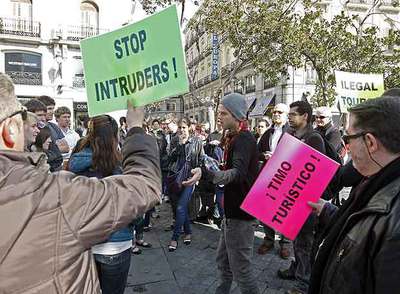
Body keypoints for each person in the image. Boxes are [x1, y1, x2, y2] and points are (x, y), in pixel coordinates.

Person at [0, 73, 161, 293]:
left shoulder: (68, 171)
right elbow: (144, 186)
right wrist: (135, 127)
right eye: (23, 118)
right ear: (10, 130)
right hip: (116, 244)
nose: (35, 129)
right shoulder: (53, 195)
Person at [308, 96, 400, 294]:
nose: (346, 147)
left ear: (370, 142)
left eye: (348, 138)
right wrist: (328, 210)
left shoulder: (394, 221)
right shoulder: (373, 180)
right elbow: (360, 228)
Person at [68, 115, 134, 294]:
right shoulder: (120, 166)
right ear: (114, 137)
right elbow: (134, 206)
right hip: (115, 243)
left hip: (82, 242)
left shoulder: (74, 162)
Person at [207, 93, 260, 294]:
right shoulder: (233, 138)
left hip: (241, 216)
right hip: (232, 214)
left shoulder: (244, 139)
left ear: (236, 115)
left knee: (242, 271)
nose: (219, 117)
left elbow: (237, 174)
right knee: (223, 262)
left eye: (223, 113)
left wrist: (209, 174)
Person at [277, 101, 325, 294]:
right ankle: (296, 269)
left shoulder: (314, 138)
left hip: (307, 200)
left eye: (293, 114)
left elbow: (317, 171)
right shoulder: (290, 134)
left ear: (305, 116)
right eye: (289, 114)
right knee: (296, 239)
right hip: (291, 196)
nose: (289, 117)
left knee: (305, 242)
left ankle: (304, 285)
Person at [257, 103, 291, 258]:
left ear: (286, 115)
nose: (276, 114)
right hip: (268, 175)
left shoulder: (292, 132)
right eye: (274, 111)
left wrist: (278, 157)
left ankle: (285, 243)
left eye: (280, 112)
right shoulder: (268, 132)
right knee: (266, 209)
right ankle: (269, 239)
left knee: (285, 210)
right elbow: (257, 152)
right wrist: (264, 156)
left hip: (286, 176)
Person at [167, 117, 203, 251]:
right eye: (180, 128)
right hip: (177, 178)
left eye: (184, 127)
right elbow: (169, 158)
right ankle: (188, 232)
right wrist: (180, 146)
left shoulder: (197, 142)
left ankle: (174, 238)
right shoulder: (175, 141)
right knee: (180, 208)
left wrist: (198, 174)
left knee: (181, 208)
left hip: (190, 179)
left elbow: (201, 160)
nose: (182, 130)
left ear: (189, 128)